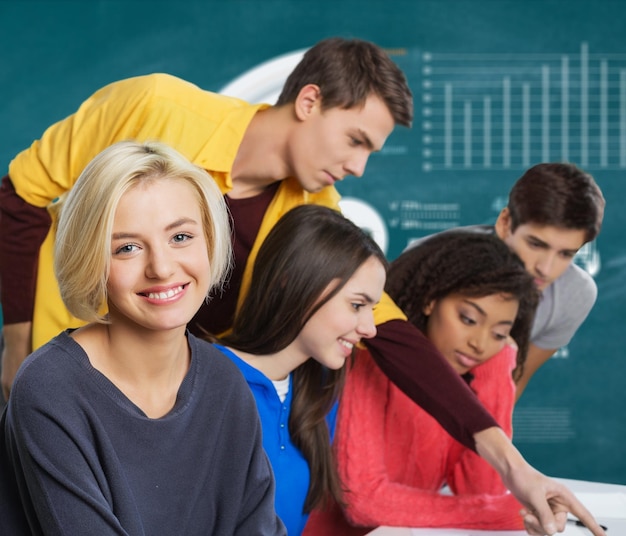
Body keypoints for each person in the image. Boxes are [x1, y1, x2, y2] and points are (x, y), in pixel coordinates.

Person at [0, 37, 605, 535]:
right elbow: (21, 195)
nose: (360, 166)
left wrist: (513, 467)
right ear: (310, 101)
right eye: (356, 140)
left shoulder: (310, 216)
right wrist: (20, 348)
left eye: (185, 238)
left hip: (173, 404)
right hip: (75, 380)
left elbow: (389, 330)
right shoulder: (155, 107)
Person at [0, 140, 286, 535]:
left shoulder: (226, 383)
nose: (162, 267)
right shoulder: (51, 388)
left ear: (210, 240)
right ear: (91, 261)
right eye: (128, 248)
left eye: (181, 237)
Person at [304, 231, 540, 534]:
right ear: (431, 301)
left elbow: (479, 491)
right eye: (468, 319)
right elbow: (364, 501)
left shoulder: (472, 386)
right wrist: (501, 514)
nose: (479, 344)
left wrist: (496, 369)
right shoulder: (370, 358)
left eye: (498, 334)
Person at [212, 204, 387, 535]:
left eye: (372, 309)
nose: (370, 328)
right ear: (294, 282)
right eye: (357, 305)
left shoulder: (319, 397)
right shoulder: (205, 381)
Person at [405, 163, 606, 401]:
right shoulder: (432, 257)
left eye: (566, 254)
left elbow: (512, 382)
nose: (546, 268)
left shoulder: (576, 293)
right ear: (505, 223)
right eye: (536, 244)